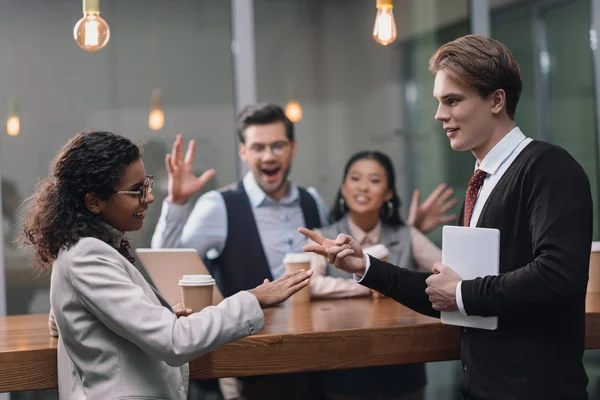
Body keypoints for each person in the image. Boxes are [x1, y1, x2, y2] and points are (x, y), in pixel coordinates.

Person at [300, 34, 592, 400]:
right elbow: (447, 296)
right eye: (439, 102)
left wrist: (461, 292)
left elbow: (556, 275)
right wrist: (366, 266)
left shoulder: (549, 168)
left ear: (496, 100)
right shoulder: (482, 180)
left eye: (452, 101)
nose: (439, 115)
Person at [152, 103, 457, 399]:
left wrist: (406, 229)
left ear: (292, 148)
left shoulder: (311, 201)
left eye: (278, 145)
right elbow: (165, 266)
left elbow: (346, 250)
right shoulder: (219, 205)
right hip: (252, 360)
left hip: (313, 358)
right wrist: (176, 204)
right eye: (258, 147)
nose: (269, 155)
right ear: (243, 152)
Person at [21, 131, 312, 400]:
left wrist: (152, 317)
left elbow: (75, 325)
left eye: (146, 184)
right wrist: (252, 299)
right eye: (136, 191)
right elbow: (174, 342)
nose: (149, 197)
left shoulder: (85, 249)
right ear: (94, 201)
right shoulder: (87, 256)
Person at [307, 150, 447, 400]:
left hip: (403, 358)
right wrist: (370, 285)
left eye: (374, 180)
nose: (363, 187)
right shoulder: (325, 235)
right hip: (344, 361)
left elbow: (446, 272)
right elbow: (311, 284)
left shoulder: (406, 234)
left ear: (389, 192)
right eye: (355, 178)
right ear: (343, 187)